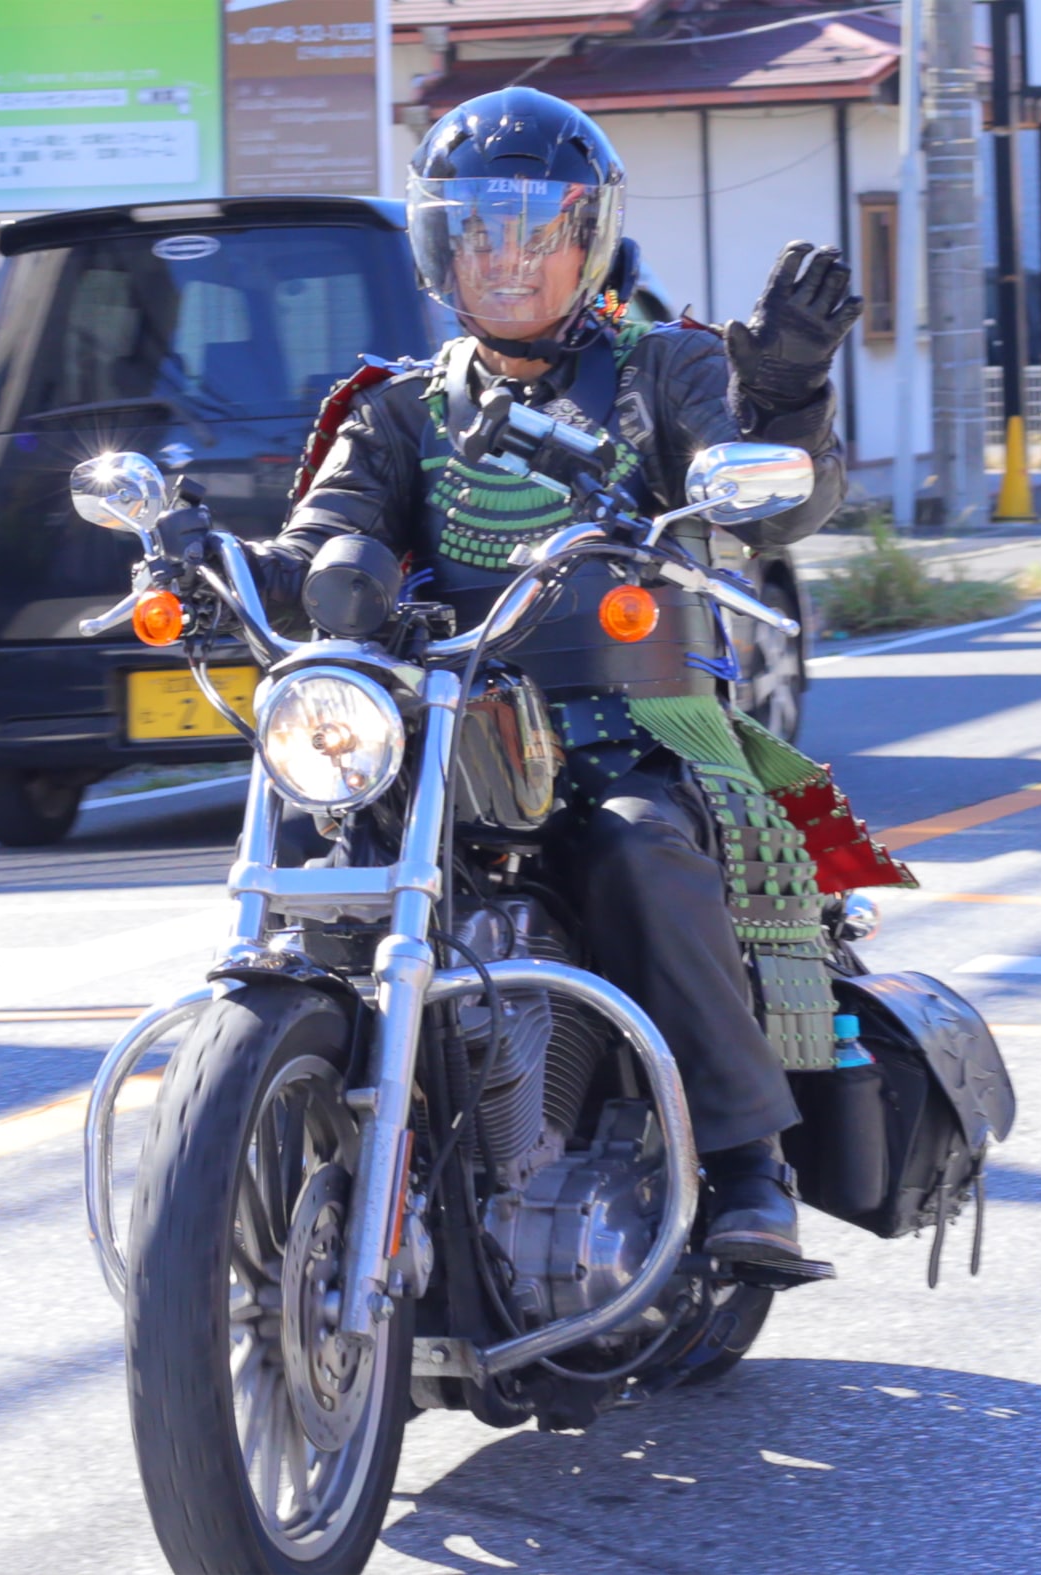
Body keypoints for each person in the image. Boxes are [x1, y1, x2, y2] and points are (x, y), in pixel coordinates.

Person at [256, 87, 861, 1264]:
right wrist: (219, 561)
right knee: (316, 833)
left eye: (536, 229)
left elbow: (768, 502)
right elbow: (320, 541)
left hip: (632, 724)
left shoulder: (666, 368)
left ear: (588, 240)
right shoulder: (398, 409)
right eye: (477, 228)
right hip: (445, 729)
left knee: (640, 846)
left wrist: (787, 393)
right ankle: (287, 1104)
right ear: (439, 245)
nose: (506, 257)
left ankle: (746, 1160)